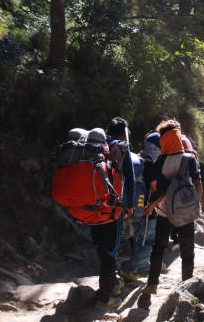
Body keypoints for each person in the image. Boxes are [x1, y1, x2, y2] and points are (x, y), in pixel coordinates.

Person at [139, 120, 203, 307]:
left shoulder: (160, 161)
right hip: (186, 213)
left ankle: (151, 285)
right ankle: (186, 289)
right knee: (188, 253)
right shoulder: (190, 159)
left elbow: (160, 190)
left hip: (165, 212)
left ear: (164, 141)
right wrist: (194, 203)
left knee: (158, 249)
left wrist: (151, 206)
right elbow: (198, 184)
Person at [86, 127, 125, 309]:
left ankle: (112, 286)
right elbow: (126, 180)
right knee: (110, 254)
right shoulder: (114, 153)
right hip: (110, 212)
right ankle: (106, 297)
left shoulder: (85, 157)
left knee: (102, 251)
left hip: (89, 211)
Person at [118, 132, 161, 280]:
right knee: (146, 241)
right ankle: (133, 270)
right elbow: (155, 188)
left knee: (137, 241)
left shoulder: (136, 159)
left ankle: (137, 267)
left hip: (132, 208)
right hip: (147, 212)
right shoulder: (149, 164)